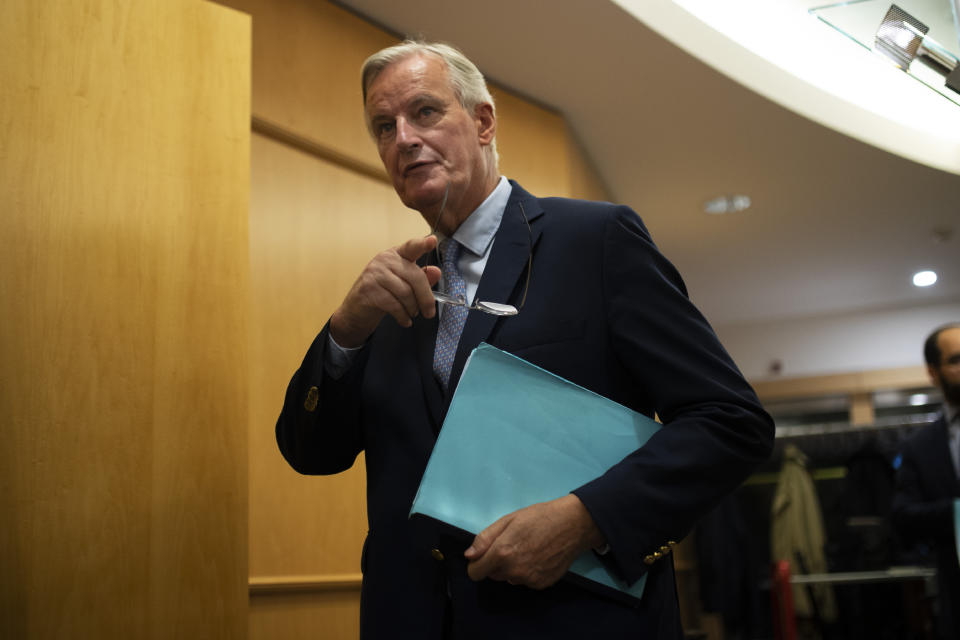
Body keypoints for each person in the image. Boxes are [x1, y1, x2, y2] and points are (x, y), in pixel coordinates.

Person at [276, 40, 774, 639]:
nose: (403, 138)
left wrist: (587, 518)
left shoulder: (596, 242)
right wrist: (344, 332)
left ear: (482, 122)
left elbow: (729, 420)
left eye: (425, 112)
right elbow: (311, 453)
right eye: (384, 126)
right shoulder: (388, 295)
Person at [893, 322, 960, 639]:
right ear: (933, 372)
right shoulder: (919, 446)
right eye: (956, 360)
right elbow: (904, 517)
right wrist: (958, 512)